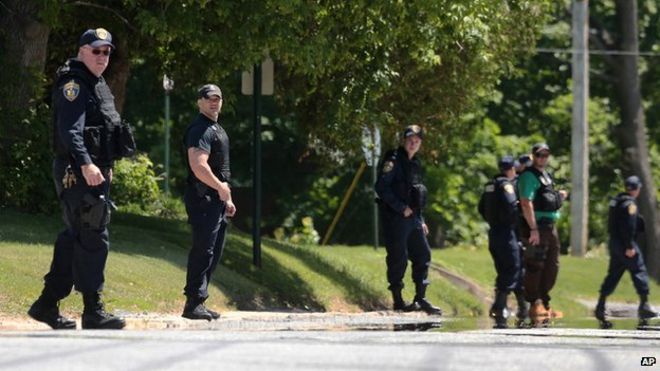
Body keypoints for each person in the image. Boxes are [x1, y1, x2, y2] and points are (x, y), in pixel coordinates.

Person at [28, 28, 135, 330]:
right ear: (82, 50)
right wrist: (87, 164)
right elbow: (70, 131)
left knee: (75, 237)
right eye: (96, 50)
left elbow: (103, 129)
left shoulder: (96, 83)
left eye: (107, 51)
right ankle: (92, 309)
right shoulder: (74, 83)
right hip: (77, 172)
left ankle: (47, 304)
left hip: (93, 170)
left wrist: (105, 163)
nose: (103, 57)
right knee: (92, 234)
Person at [181, 84, 236, 321]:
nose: (214, 102)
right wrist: (219, 188)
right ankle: (193, 302)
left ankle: (199, 300)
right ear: (199, 102)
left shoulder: (216, 128)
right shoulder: (200, 129)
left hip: (216, 199)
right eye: (209, 98)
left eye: (217, 98)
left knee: (213, 251)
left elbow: (220, 170)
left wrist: (227, 197)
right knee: (204, 249)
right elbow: (198, 166)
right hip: (203, 197)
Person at [375, 125, 442, 315]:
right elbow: (381, 187)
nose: (414, 143)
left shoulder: (415, 163)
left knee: (423, 254)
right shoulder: (393, 161)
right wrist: (400, 207)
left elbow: (416, 195)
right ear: (404, 140)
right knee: (398, 258)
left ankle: (420, 298)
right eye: (410, 139)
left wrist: (420, 219)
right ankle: (397, 300)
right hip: (396, 218)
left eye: (417, 140)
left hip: (413, 219)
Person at [595, 176, 657, 328]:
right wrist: (629, 246)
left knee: (614, 273)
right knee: (639, 270)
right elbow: (628, 226)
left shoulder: (616, 201)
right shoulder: (630, 204)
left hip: (615, 244)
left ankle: (601, 304)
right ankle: (644, 305)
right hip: (626, 244)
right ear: (636, 189)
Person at [517, 143, 567, 321]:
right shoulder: (528, 176)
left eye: (545, 155)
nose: (542, 158)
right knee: (534, 265)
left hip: (550, 226)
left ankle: (545, 302)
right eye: (539, 155)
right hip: (536, 227)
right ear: (533, 156)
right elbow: (525, 202)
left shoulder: (546, 175)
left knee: (552, 266)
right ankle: (534, 302)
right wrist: (533, 229)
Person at [478, 156, 527, 328]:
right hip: (507, 233)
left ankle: (504, 305)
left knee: (503, 268)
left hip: (494, 232)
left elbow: (481, 209)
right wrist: (514, 221)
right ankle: (499, 305)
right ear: (511, 169)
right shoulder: (506, 185)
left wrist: (494, 221)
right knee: (513, 266)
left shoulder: (490, 185)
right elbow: (511, 206)